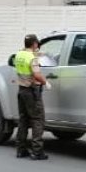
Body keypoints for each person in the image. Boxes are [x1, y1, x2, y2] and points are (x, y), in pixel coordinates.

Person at [13, 33, 49, 161]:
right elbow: (37, 75)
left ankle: (21, 149)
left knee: (23, 120)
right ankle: (37, 151)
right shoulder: (32, 58)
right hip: (32, 91)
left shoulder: (19, 55)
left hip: (21, 90)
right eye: (37, 43)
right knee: (37, 119)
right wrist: (46, 82)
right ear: (34, 43)